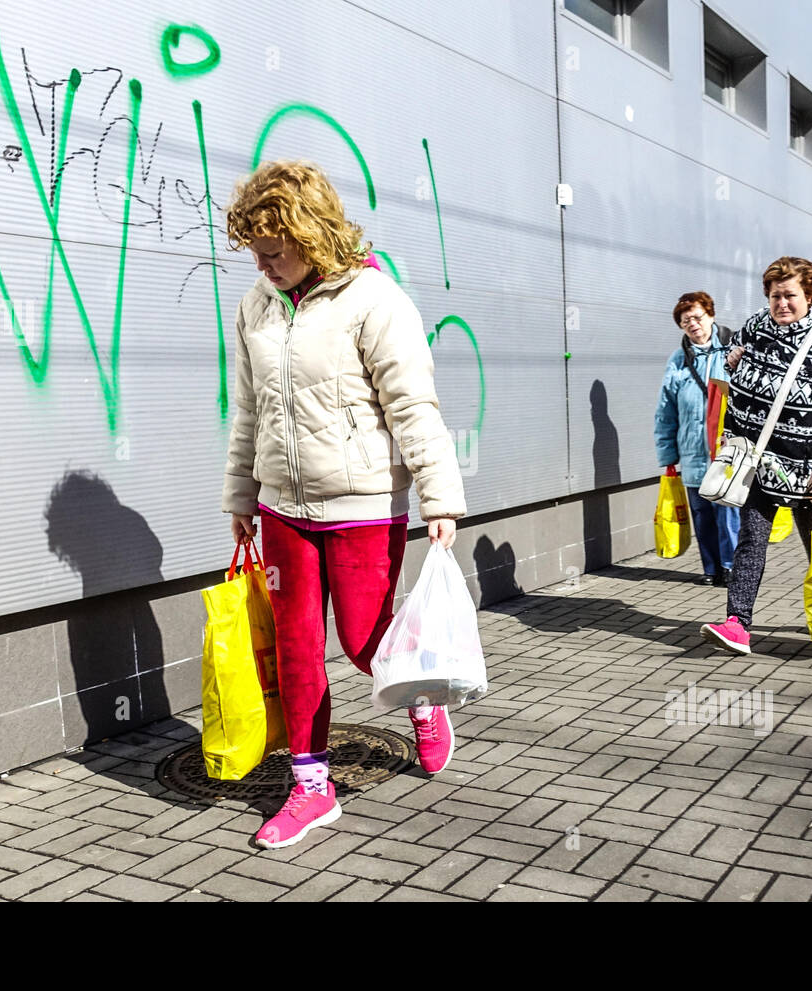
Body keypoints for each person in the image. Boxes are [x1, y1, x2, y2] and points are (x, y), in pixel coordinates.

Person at [222, 160, 467, 849]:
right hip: (282, 510)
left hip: (362, 503)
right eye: (257, 254)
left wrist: (439, 494)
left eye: (274, 252)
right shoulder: (254, 307)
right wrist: (241, 492)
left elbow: (413, 404)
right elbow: (248, 410)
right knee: (297, 649)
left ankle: (419, 695)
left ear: (311, 234)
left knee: (364, 641)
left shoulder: (374, 300)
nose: (263, 265)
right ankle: (310, 785)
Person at [701, 257, 812, 655]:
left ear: (809, 296)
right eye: (776, 295)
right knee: (750, 541)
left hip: (809, 469)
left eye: (790, 296)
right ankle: (737, 624)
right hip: (757, 464)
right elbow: (731, 352)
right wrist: (731, 360)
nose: (782, 303)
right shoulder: (755, 328)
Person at [654, 292, 740, 585]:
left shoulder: (732, 349)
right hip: (692, 451)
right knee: (702, 515)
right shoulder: (678, 360)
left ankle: (731, 566)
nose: (692, 324)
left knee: (727, 513)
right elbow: (666, 410)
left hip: (725, 450)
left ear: (711, 316)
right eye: (685, 320)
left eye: (697, 317)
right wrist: (668, 457)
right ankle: (711, 568)